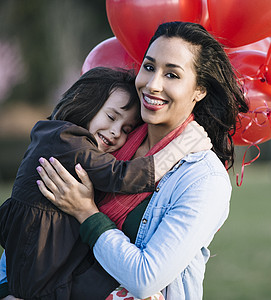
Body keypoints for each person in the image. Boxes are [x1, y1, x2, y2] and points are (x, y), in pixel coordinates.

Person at [3, 21, 249, 299]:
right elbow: (33, 223)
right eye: (149, 67)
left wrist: (86, 212)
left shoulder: (203, 179)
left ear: (199, 90)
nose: (153, 84)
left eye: (172, 75)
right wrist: (9, 289)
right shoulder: (103, 142)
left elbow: (145, 279)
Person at [0, 66, 211, 300]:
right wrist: (181, 146)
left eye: (126, 130)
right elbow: (121, 176)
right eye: (111, 117)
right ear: (84, 102)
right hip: (46, 274)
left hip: (49, 268)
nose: (114, 132)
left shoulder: (52, 135)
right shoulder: (67, 141)